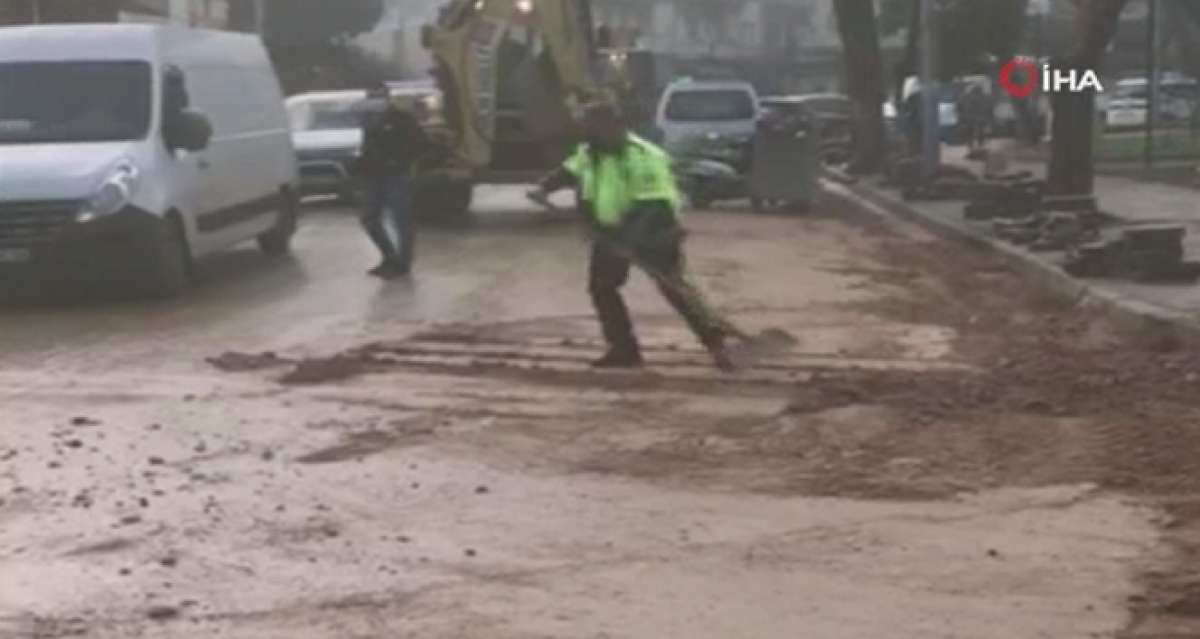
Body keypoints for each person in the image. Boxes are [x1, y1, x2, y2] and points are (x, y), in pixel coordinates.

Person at [528, 101, 735, 370]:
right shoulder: (591, 152)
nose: (589, 133)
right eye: (587, 128)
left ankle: (716, 343)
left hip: (654, 230)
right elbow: (570, 170)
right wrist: (545, 187)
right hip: (610, 232)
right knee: (603, 288)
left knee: (674, 289)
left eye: (594, 128)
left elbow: (655, 203)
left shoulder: (644, 155)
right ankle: (623, 350)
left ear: (614, 126)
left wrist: (630, 240)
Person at [357, 85, 431, 279]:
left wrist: (400, 160)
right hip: (373, 176)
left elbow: (421, 145)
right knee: (369, 219)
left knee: (401, 220)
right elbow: (367, 148)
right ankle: (389, 256)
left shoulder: (401, 119)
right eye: (370, 96)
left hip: (396, 176)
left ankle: (403, 263)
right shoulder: (368, 121)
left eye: (378, 97)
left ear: (387, 99)